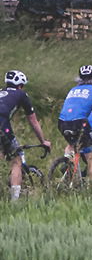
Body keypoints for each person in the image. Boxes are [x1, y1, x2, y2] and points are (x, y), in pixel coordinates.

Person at [2, 70, 51, 200]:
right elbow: (33, 120)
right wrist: (43, 141)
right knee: (17, 160)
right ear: (20, 85)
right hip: (2, 126)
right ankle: (15, 200)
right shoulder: (21, 94)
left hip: (4, 126)